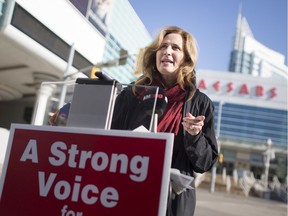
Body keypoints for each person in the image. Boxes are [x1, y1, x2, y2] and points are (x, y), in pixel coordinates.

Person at [111, 26, 218, 216]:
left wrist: (195, 136)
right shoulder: (132, 94)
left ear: (185, 58)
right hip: (129, 190)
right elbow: (109, 139)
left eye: (175, 48)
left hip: (172, 202)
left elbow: (205, 163)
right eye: (163, 46)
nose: (167, 51)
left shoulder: (200, 103)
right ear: (155, 54)